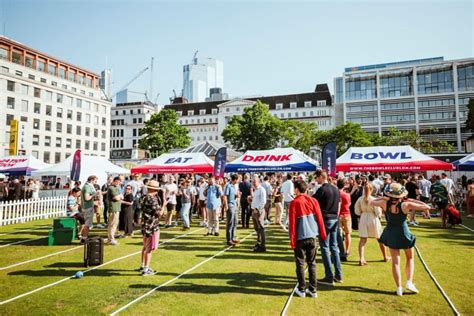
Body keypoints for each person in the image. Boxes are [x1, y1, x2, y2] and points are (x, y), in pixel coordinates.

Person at [371, 182, 430, 296]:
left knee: (395, 262)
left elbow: (372, 202)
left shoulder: (384, 202)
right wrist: (412, 200)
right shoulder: (405, 204)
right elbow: (426, 206)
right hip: (403, 232)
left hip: (391, 232)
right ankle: (409, 282)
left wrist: (383, 197)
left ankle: (399, 288)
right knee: (410, 258)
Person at [289, 180, 327, 298]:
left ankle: (302, 289)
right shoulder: (313, 201)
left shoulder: (294, 203)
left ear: (296, 189)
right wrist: (323, 234)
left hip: (300, 238)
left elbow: (292, 224)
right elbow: (320, 219)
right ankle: (313, 289)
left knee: (300, 263)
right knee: (312, 263)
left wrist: (292, 241)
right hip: (312, 236)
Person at [313, 170, 342, 286]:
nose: (316, 180)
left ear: (321, 177)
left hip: (326, 219)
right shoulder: (335, 189)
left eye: (316, 177)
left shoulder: (322, 189)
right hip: (334, 218)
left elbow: (313, 201)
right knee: (334, 247)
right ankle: (338, 275)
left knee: (325, 247)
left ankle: (329, 276)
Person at [355, 183, 389, 265]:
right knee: (380, 239)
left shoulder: (360, 199)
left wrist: (362, 214)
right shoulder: (374, 199)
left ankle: (361, 258)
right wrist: (379, 215)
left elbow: (357, 211)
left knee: (362, 240)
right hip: (373, 218)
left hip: (363, 218)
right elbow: (378, 212)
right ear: (372, 190)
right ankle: (385, 256)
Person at [139, 180, 163, 276]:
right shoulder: (152, 199)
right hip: (151, 225)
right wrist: (164, 204)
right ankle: (146, 268)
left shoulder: (143, 197)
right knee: (149, 248)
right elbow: (159, 213)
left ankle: (143, 265)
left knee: (145, 246)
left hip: (145, 223)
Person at [250, 175, 267, 252]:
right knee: (257, 228)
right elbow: (256, 200)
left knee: (261, 228)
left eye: (254, 181)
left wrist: (257, 208)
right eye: (253, 181)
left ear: (259, 182)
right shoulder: (256, 190)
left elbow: (263, 201)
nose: (253, 183)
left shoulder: (262, 189)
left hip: (259, 211)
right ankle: (259, 242)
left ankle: (263, 246)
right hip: (254, 211)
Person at [80, 175, 99, 242]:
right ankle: (84, 238)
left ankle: (83, 236)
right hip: (87, 207)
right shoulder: (87, 187)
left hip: (86, 207)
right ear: (91, 180)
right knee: (87, 224)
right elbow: (87, 198)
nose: (95, 183)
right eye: (95, 181)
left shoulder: (86, 186)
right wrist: (94, 194)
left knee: (86, 224)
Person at [223, 174, 240, 246]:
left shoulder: (234, 186)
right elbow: (225, 196)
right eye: (238, 179)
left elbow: (233, 195)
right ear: (235, 179)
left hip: (235, 205)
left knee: (235, 222)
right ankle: (229, 239)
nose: (238, 181)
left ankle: (233, 237)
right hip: (230, 205)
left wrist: (237, 195)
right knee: (230, 223)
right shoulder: (228, 185)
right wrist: (226, 206)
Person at [337, 178, 352, 258]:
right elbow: (349, 204)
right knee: (347, 233)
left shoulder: (336, 194)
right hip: (346, 215)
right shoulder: (347, 195)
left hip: (339, 215)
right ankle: (347, 250)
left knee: (339, 235)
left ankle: (341, 250)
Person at [107, 176, 123, 245]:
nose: (118, 183)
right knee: (112, 224)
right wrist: (119, 196)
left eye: (119, 182)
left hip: (117, 208)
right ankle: (111, 239)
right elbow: (117, 198)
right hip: (113, 208)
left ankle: (111, 238)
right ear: (114, 181)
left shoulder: (117, 188)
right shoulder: (111, 188)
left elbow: (122, 196)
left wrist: (119, 196)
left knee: (115, 224)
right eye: (117, 182)